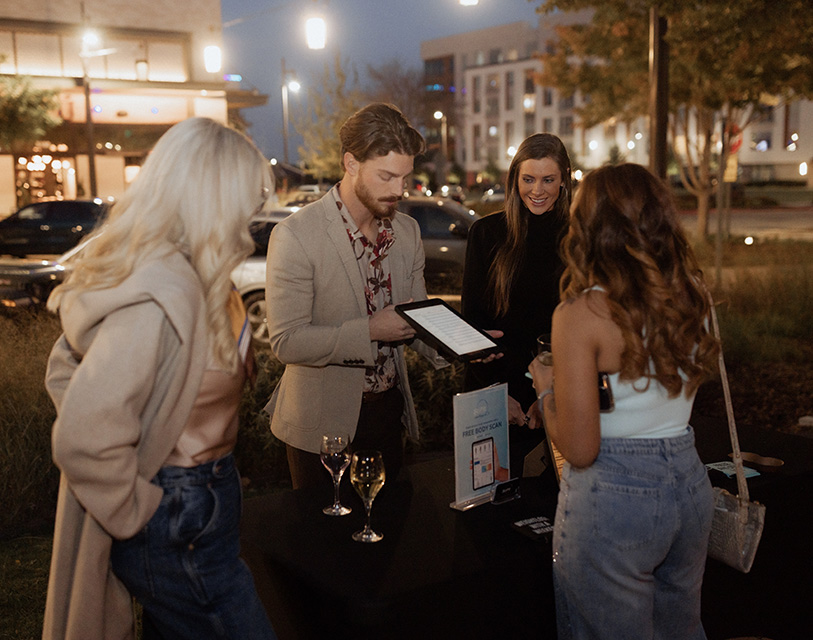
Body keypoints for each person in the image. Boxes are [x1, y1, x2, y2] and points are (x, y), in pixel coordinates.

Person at [43, 117, 277, 640]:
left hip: (197, 505)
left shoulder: (196, 276)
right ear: (212, 197)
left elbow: (70, 364)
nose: (257, 208)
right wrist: (140, 510)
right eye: (248, 193)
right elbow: (84, 436)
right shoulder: (161, 289)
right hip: (175, 518)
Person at [528, 163, 720, 639]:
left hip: (615, 499)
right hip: (689, 484)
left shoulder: (581, 314)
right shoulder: (694, 296)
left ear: (589, 226)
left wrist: (546, 388)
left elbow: (580, 449)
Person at [264, 103, 449, 489]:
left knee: (388, 542)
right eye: (386, 176)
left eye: (404, 177)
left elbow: (416, 318)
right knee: (325, 546)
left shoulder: (408, 232)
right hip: (319, 428)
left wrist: (465, 345)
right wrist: (369, 330)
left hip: (388, 416)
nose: (399, 190)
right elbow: (287, 341)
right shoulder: (295, 235)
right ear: (351, 164)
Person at [461, 133, 571, 476]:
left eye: (548, 179)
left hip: (560, 394)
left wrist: (549, 397)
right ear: (515, 180)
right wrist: (497, 395)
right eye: (528, 179)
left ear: (564, 179)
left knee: (560, 511)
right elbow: (472, 325)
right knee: (487, 515)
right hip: (493, 394)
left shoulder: (580, 238)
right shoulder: (486, 233)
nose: (537, 190)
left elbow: (584, 330)